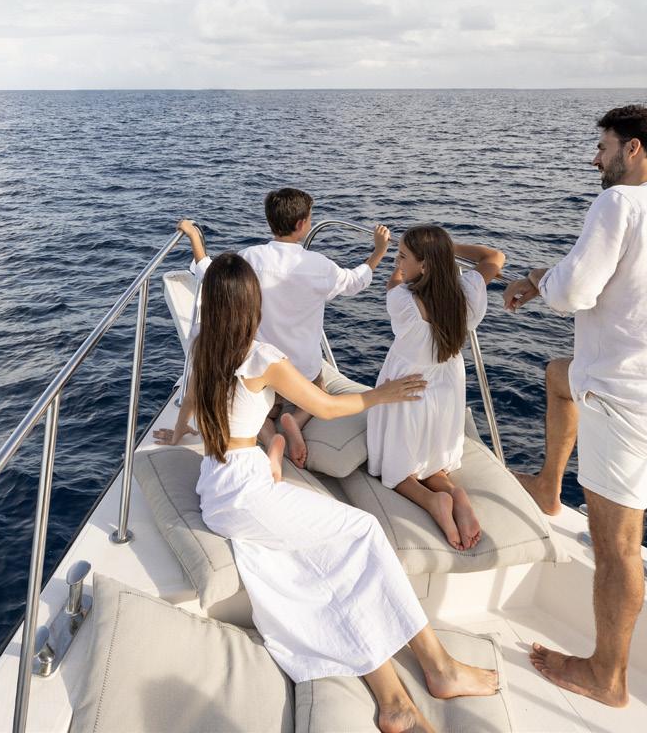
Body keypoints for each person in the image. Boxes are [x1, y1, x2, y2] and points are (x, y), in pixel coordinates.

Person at [156, 253, 498, 733]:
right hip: (247, 493)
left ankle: (394, 699)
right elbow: (328, 407)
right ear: (252, 303)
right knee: (363, 531)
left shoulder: (202, 344)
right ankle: (439, 667)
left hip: (217, 488)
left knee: (319, 563)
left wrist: (177, 433)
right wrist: (383, 394)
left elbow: (190, 400)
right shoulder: (263, 359)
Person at [503, 104, 647, 708]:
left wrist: (543, 280)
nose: (596, 158)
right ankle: (548, 486)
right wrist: (544, 276)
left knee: (618, 545)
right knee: (557, 375)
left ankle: (606, 676)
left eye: (604, 146)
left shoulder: (618, 203)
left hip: (620, 401)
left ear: (634, 149)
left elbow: (574, 292)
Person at [174, 187, 391, 467]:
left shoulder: (250, 257)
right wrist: (378, 251)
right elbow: (355, 281)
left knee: (261, 400)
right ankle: (296, 420)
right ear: (301, 225)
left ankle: (268, 428)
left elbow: (209, 272)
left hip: (261, 370)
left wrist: (195, 237)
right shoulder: (319, 266)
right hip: (303, 371)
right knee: (320, 387)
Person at [367, 227, 505, 550]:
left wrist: (395, 264)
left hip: (406, 390)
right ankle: (454, 493)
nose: (399, 261)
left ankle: (432, 502)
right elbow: (494, 257)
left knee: (396, 471)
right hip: (446, 393)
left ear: (424, 265)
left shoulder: (404, 302)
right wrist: (447, 248)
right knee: (433, 465)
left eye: (403, 256)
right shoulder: (468, 293)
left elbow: (393, 283)